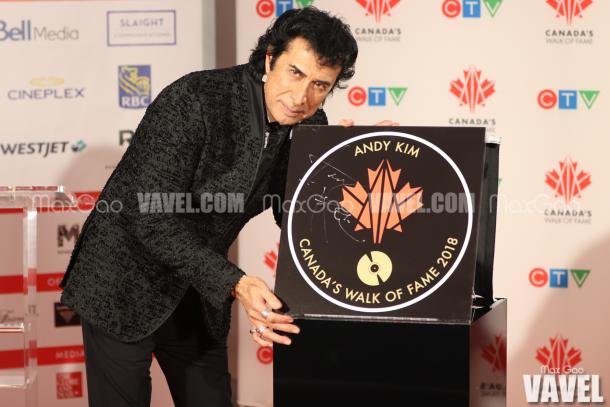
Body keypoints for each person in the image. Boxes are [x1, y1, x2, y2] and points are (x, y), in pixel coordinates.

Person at [58, 7, 361, 407]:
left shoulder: (309, 124)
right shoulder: (195, 99)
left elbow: (294, 211)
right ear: (270, 58)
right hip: (123, 280)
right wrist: (236, 282)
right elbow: (151, 217)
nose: (302, 96)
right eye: (296, 73)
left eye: (321, 85)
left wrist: (342, 200)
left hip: (196, 293)